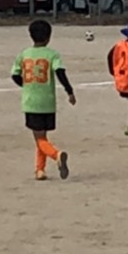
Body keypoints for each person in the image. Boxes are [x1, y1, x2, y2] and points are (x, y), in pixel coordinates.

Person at [12, 17, 76, 181]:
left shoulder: (24, 54)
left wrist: (26, 85)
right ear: (49, 36)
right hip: (48, 102)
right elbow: (60, 73)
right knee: (42, 137)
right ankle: (40, 170)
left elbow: (15, 75)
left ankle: (56, 155)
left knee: (39, 138)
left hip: (31, 102)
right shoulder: (52, 54)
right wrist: (69, 91)